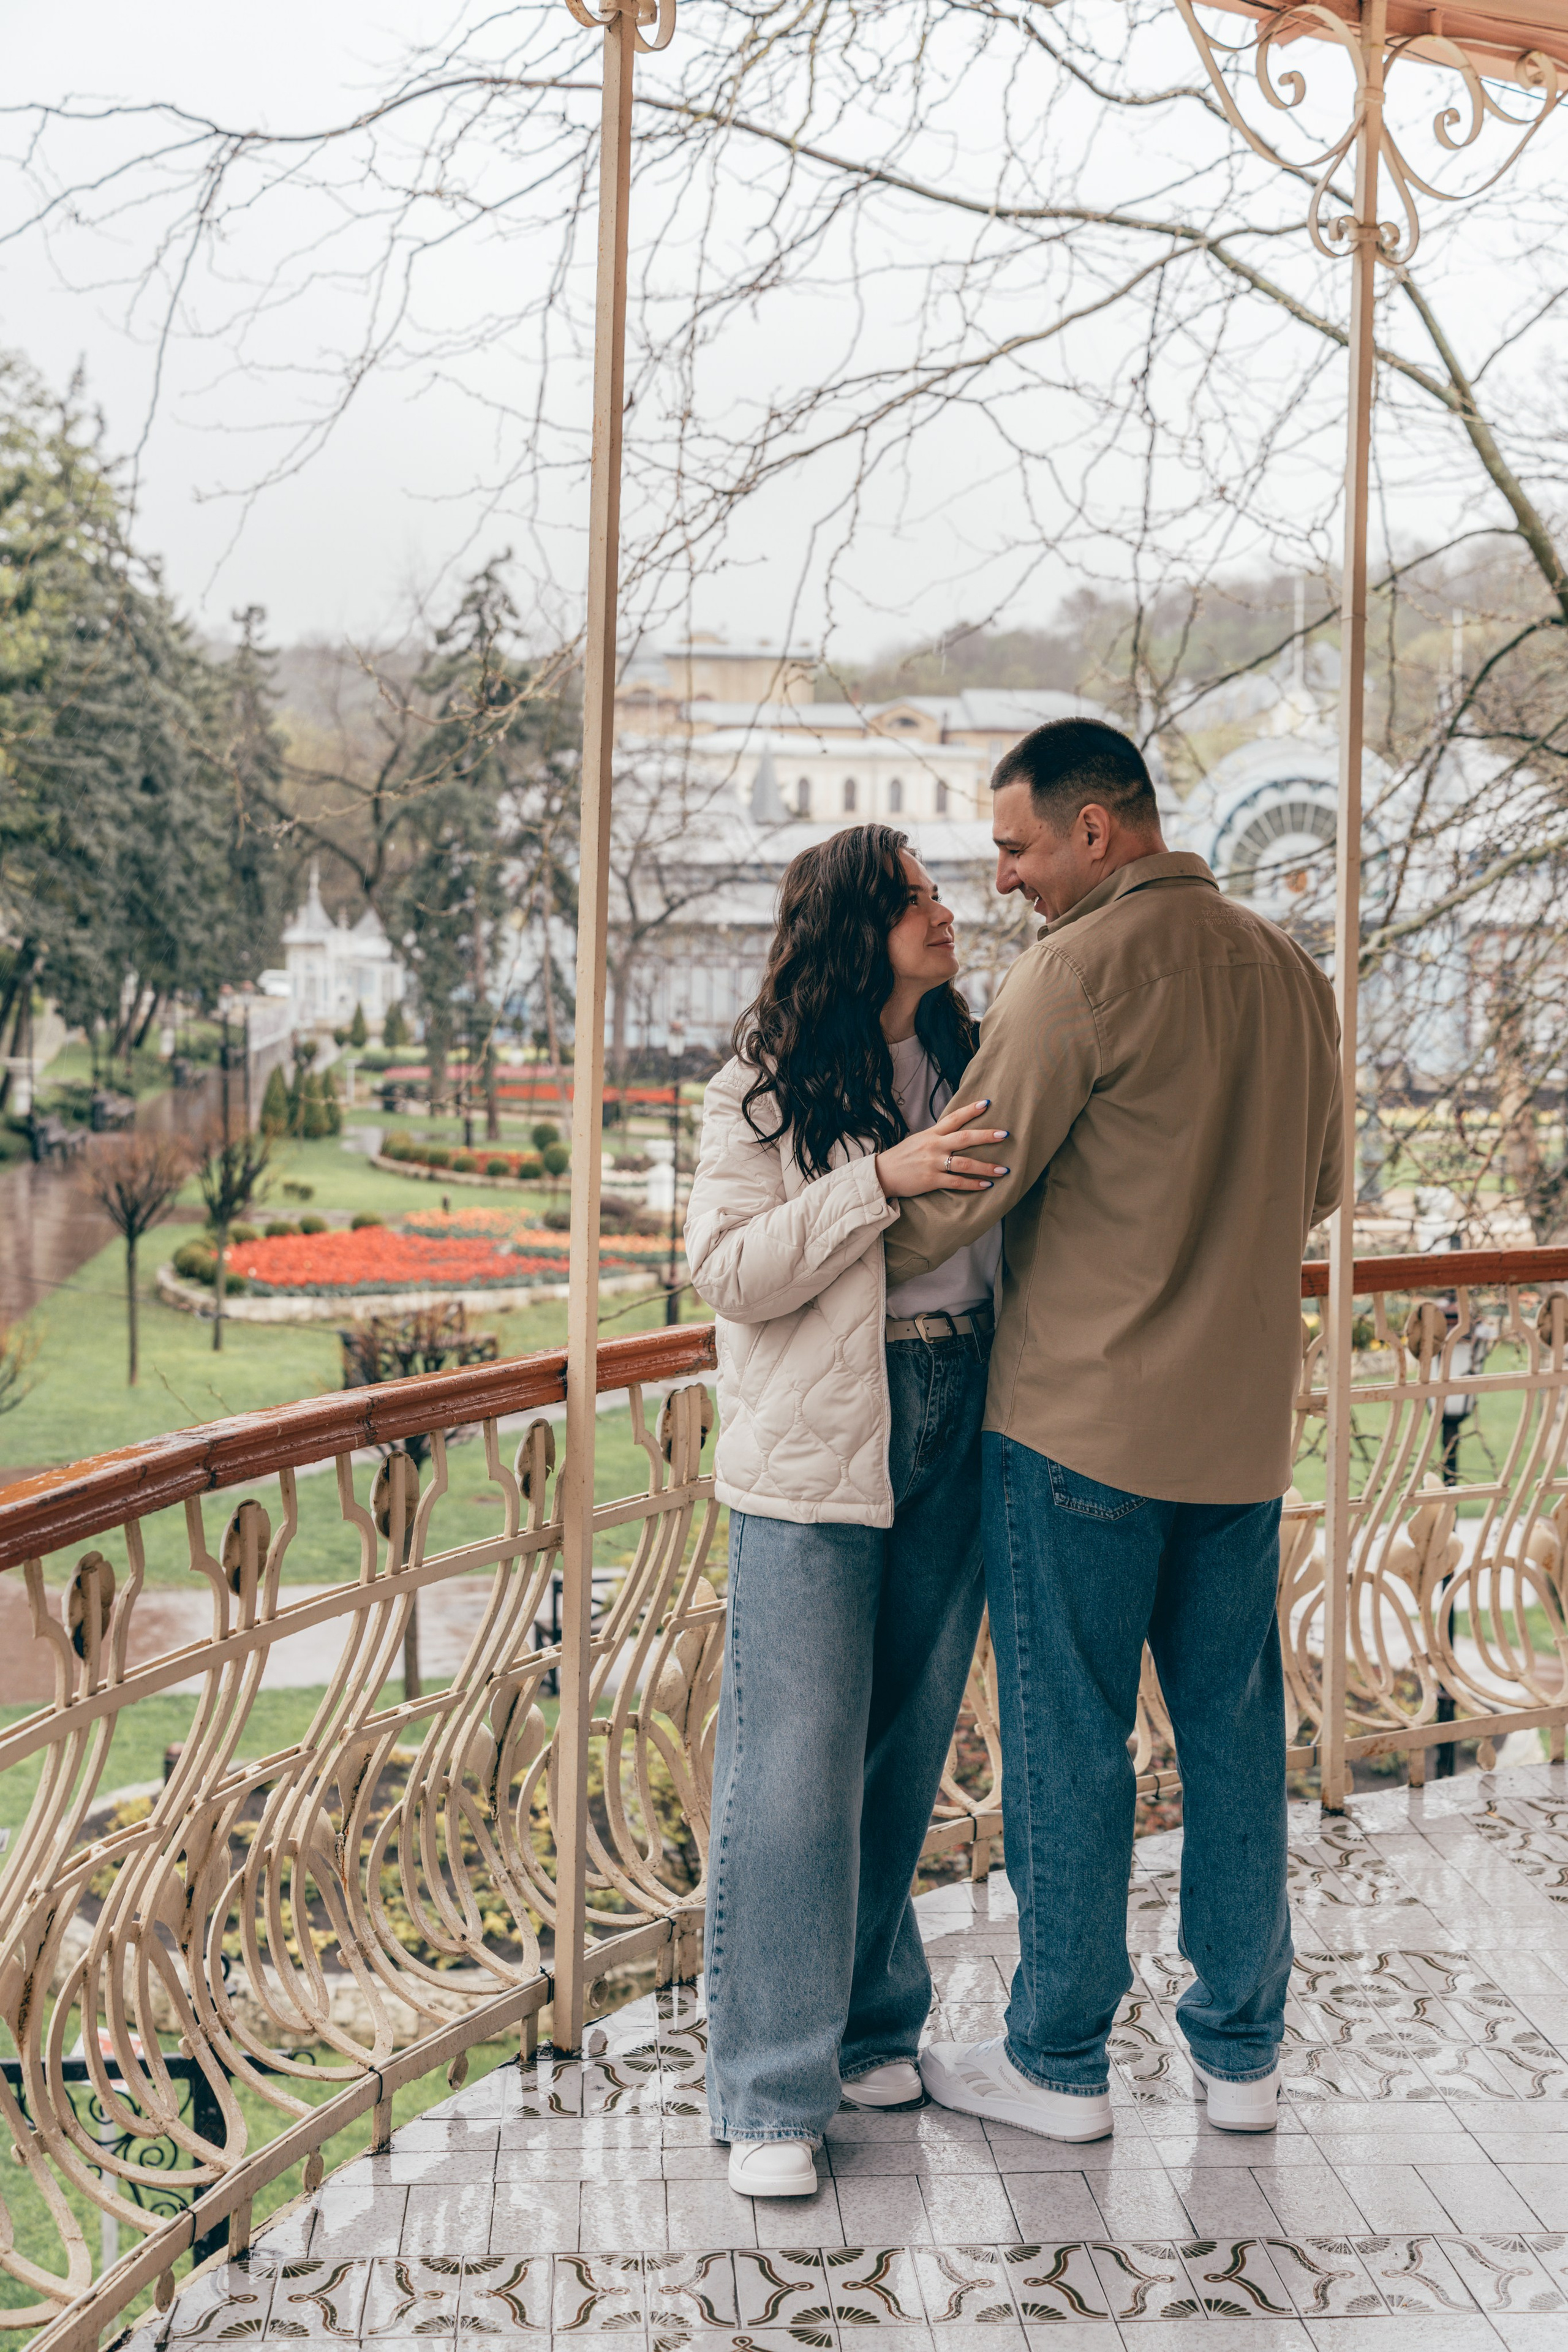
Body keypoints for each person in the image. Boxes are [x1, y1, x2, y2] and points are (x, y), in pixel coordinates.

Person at [886, 717, 1343, 2143]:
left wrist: (826, 1235)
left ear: (1095, 831)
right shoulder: (1285, 968)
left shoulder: (1068, 976)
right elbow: (1317, 1184)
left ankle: (1059, 2060)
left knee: (1069, 1746)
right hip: (1240, 1433)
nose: (1003, 879)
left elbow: (960, 1187)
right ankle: (1241, 2054)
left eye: (1014, 846)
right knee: (1230, 1734)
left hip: (1077, 1428)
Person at [684, 824, 1011, 2200]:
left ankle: (875, 2027)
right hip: (820, 1443)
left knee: (902, 1740)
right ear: (854, 927)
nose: (946, 912)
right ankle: (768, 2089)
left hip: (957, 1410)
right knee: (795, 1759)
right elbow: (725, 1271)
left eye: (941, 893)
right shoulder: (757, 1086)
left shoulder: (970, 1057)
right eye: (919, 898)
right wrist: (876, 1180)